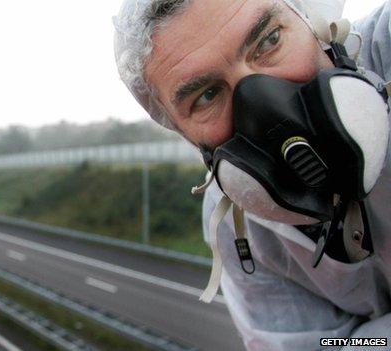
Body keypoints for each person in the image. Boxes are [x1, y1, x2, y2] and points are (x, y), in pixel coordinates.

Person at [114, 0, 391, 350]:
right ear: (188, 137)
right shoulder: (238, 229)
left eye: (269, 40)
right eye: (208, 95)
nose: (266, 104)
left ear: (311, 22)